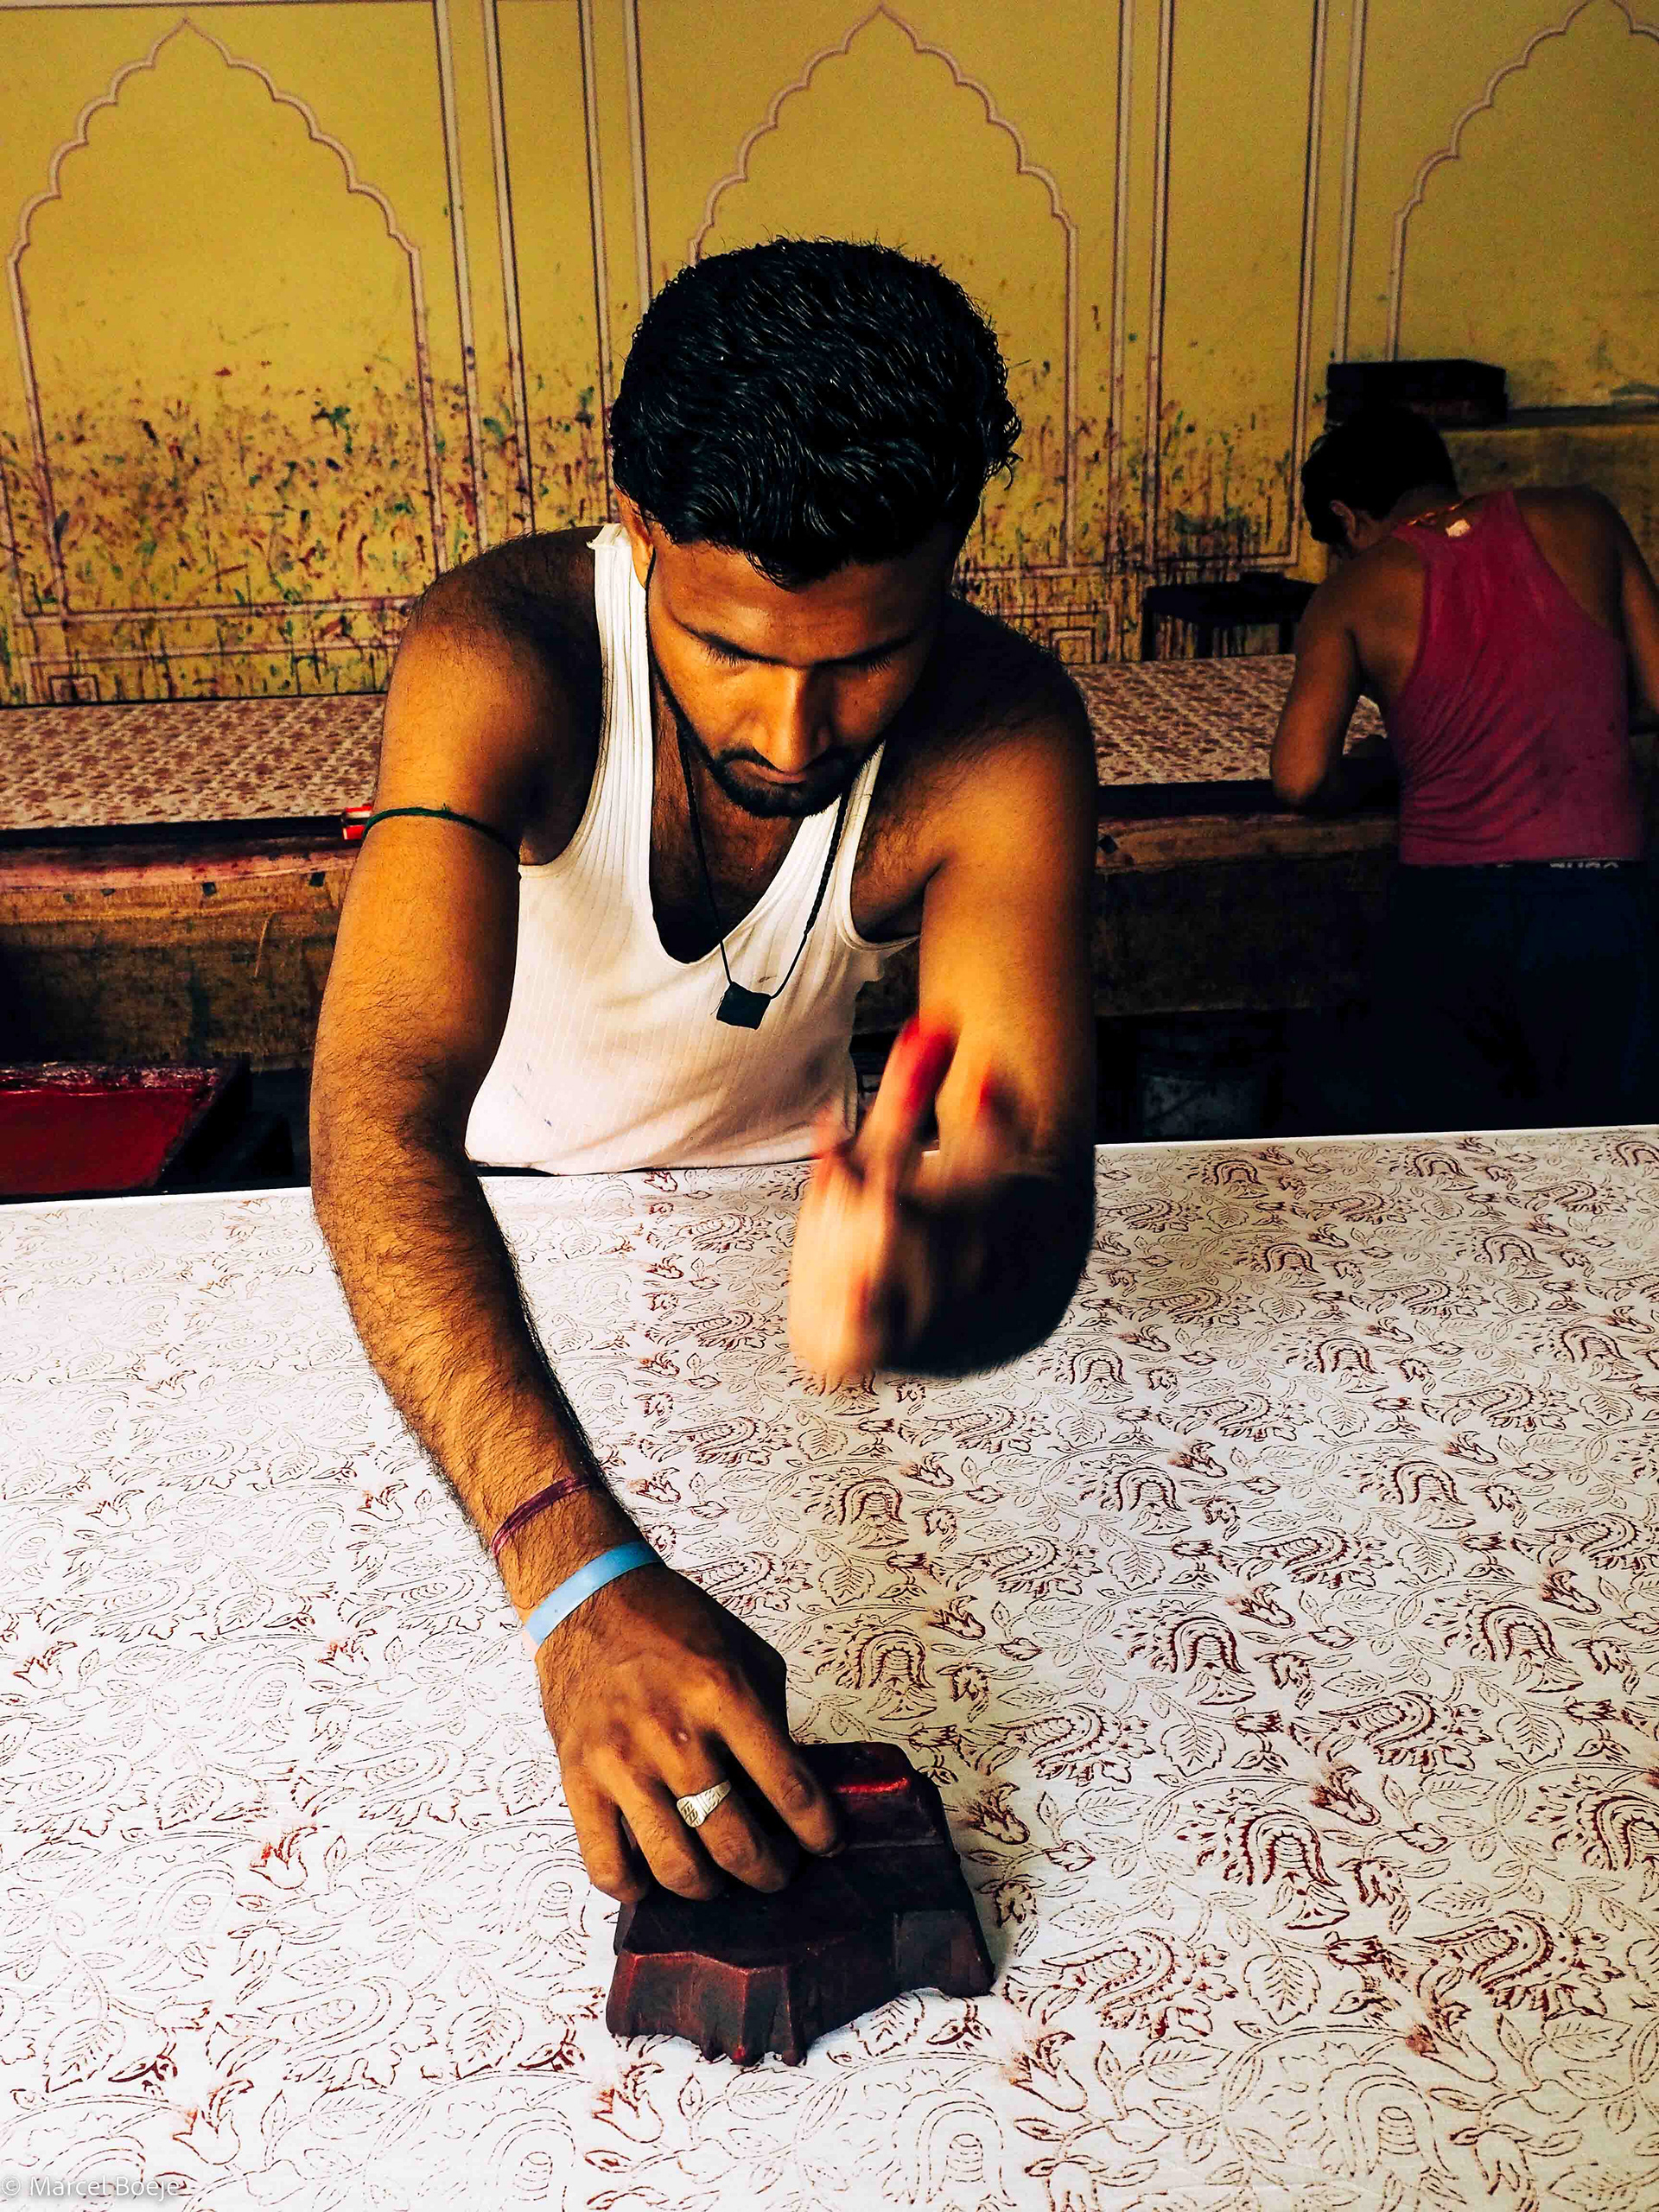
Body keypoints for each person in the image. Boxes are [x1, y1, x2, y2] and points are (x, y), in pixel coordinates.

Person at [309, 241, 1097, 1911]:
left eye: (866, 658)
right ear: (640, 532)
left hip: (777, 1234)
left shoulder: (1001, 732)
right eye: (730, 647)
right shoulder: (501, 651)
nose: (793, 735)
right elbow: (378, 1114)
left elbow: (1034, 1202)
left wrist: (944, 1275)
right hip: (468, 1268)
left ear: (955, 557)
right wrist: (571, 1577)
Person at [1271, 403, 1659, 1131]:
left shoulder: (1350, 594)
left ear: (1346, 518)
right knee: (1610, 1154)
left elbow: (1299, 778)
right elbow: (1656, 690)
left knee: (1464, 1164)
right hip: (1600, 904)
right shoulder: (1586, 517)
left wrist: (1381, 771)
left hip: (1449, 915)